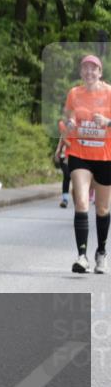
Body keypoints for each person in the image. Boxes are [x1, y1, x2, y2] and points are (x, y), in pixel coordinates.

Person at [62, 54, 111, 274]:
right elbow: (69, 120)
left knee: (102, 208)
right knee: (81, 202)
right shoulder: (74, 93)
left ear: (100, 72)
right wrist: (71, 125)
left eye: (94, 69)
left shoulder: (110, 93)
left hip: (105, 156)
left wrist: (108, 122)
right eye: (85, 69)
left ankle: (101, 253)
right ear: (81, 73)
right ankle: (82, 256)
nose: (89, 72)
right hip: (79, 152)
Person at [54, 122, 70, 208]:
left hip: (75, 157)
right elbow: (61, 142)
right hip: (64, 157)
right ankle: (65, 199)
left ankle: (80, 199)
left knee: (76, 179)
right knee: (67, 176)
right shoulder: (65, 131)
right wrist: (57, 153)